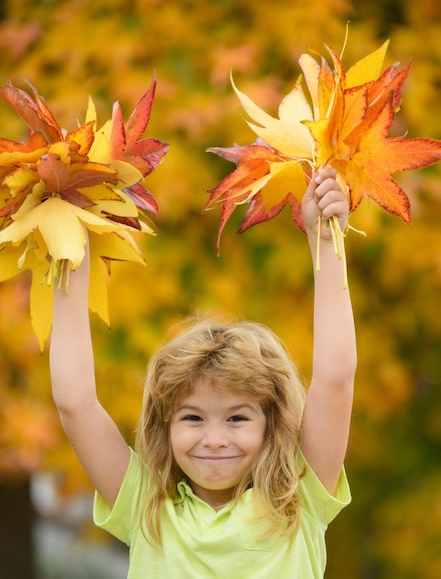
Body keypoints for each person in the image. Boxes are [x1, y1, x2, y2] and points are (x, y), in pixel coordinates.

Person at [50, 166, 357, 578]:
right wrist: (71, 259)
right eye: (193, 417)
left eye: (237, 418)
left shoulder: (299, 499)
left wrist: (324, 242)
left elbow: (335, 380)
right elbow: (76, 404)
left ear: (272, 423)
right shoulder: (146, 506)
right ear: (166, 425)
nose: (214, 440)